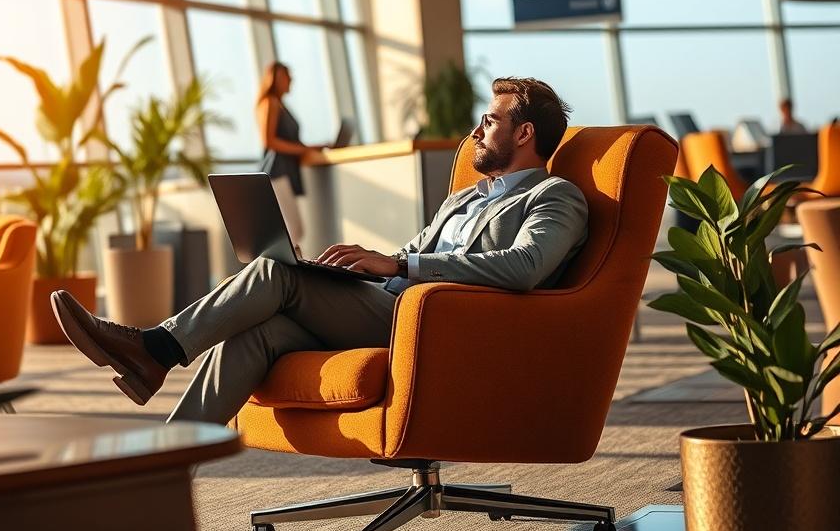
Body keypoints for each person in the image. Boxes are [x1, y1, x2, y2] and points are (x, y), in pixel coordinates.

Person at [51, 77, 589, 425]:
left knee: (274, 275)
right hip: (388, 304)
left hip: (437, 322)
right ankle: (165, 467)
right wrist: (356, 265)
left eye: (490, 121)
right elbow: (411, 254)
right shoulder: (464, 198)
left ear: (524, 133)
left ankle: (153, 349)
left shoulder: (554, 196)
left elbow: (525, 267)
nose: (476, 131)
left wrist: (400, 264)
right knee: (256, 333)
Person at [255, 61, 327, 251]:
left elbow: (287, 140)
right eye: (286, 76)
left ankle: (285, 265)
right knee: (294, 229)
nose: (290, 80)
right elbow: (269, 141)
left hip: (284, 171)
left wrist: (311, 148)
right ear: (275, 79)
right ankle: (282, 265)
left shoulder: (280, 104)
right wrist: (303, 150)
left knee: (292, 229)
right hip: (276, 171)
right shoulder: (270, 103)